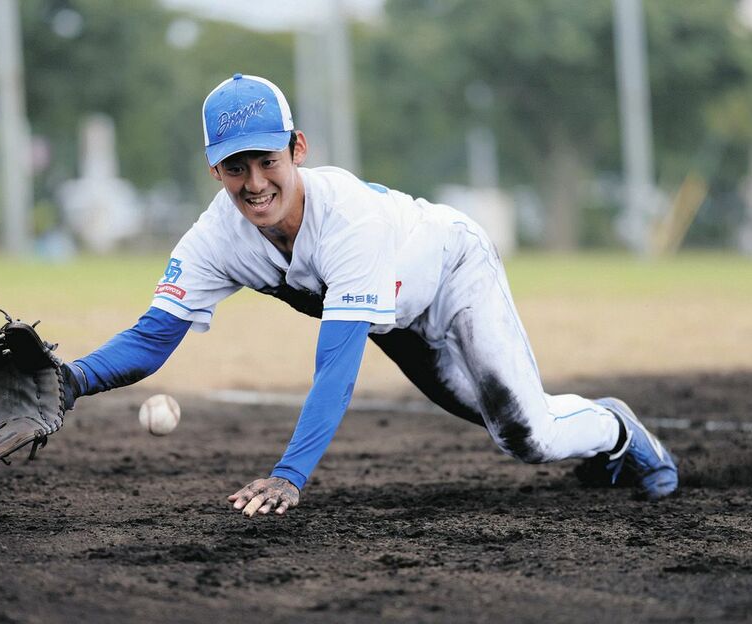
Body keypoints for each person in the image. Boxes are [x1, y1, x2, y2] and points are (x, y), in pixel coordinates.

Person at [60, 73, 679, 517]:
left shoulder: (348, 219)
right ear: (212, 169)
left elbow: (336, 368)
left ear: (298, 149)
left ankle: (621, 430)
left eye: (267, 160)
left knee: (526, 433)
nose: (254, 184)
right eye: (234, 167)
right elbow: (151, 338)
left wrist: (289, 475)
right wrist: (71, 380)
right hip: (398, 321)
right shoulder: (214, 239)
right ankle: (600, 437)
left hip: (454, 272)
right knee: (502, 425)